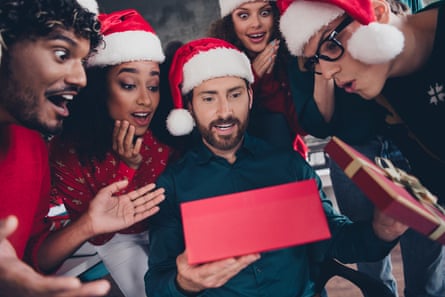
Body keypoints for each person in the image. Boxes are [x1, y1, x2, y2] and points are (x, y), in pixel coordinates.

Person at [144, 37, 408, 297]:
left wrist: (380, 232)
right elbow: (157, 283)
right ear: (190, 107)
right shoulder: (174, 186)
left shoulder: (288, 167)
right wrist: (184, 283)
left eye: (234, 94)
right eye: (209, 99)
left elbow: (334, 241)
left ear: (249, 96)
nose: (224, 112)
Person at [276, 0, 445, 296]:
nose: (326, 74)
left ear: (377, 13)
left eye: (329, 46)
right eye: (316, 60)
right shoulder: (385, 93)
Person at [47, 9, 172, 297]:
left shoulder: (167, 131)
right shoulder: (67, 152)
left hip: (168, 227)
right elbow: (101, 234)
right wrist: (126, 167)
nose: (145, 99)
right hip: (118, 240)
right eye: (128, 85)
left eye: (153, 86)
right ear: (100, 89)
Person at [0, 0, 115, 296]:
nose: (80, 79)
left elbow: (29, 255)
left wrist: (87, 225)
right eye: (62, 54)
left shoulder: (33, 146)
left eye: (83, 62)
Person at [208, 0, 308, 157]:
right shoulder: (216, 64)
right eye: (244, 15)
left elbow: (302, 126)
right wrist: (253, 78)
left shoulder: (291, 56)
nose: (256, 24)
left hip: (288, 163)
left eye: (264, 13)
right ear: (229, 22)